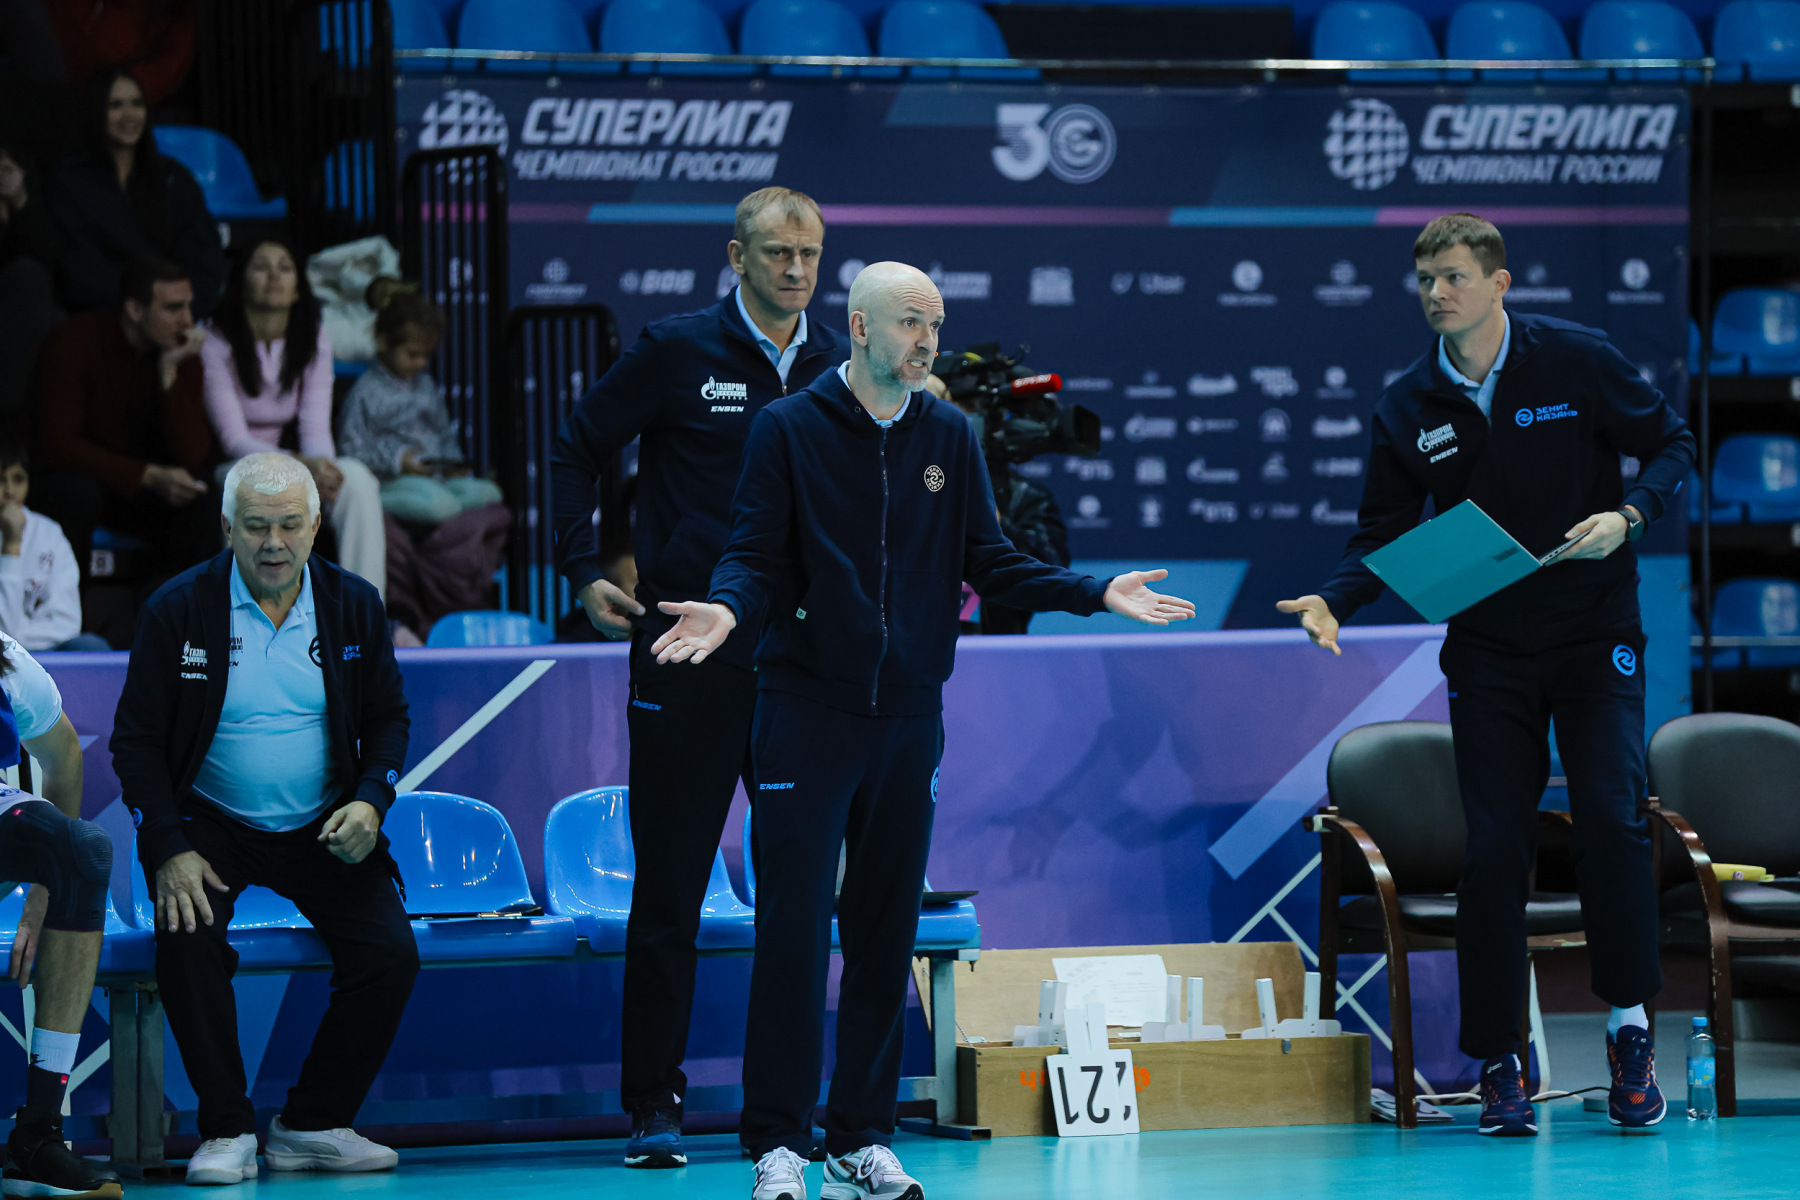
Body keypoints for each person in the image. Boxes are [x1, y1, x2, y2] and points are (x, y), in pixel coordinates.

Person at [654, 262, 1195, 1200]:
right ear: (861, 328)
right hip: (805, 713)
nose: (927, 341)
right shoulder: (787, 427)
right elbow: (752, 554)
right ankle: (778, 1144)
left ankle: (860, 1138)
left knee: (884, 934)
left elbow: (992, 559)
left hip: (909, 718)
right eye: (911, 322)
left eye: (935, 325)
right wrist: (730, 611)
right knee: (793, 937)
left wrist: (1093, 591)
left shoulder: (950, 433)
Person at [1277, 213, 1695, 1137]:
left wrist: (1630, 515)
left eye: (1455, 277)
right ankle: (1500, 1061)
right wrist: (1336, 601)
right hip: (1490, 648)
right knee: (1494, 847)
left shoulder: (1576, 358)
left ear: (1500, 283)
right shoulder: (1408, 404)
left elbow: (1673, 442)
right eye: (1426, 279)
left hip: (1595, 633)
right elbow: (1382, 531)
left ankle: (1630, 1029)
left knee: (1612, 817)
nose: (1437, 294)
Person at [548, 186, 847, 1170]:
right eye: (777, 252)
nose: (795, 269)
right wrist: (582, 566)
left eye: (809, 253)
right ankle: (653, 1105)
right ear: (736, 255)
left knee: (800, 898)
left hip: (801, 663)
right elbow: (576, 446)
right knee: (671, 890)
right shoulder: (675, 350)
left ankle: (788, 1115)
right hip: (684, 652)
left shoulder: (842, 362)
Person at [110, 452, 414, 1186]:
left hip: (324, 822)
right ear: (226, 529)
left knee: (390, 956)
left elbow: (389, 719)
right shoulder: (176, 609)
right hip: (209, 823)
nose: (272, 543)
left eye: (288, 525)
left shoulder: (354, 604)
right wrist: (167, 845)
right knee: (187, 939)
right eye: (254, 526)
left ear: (316, 526)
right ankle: (226, 1130)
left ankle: (313, 1122)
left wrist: (371, 799)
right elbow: (136, 743)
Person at [0, 631, 123, 1200]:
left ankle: (38, 1136)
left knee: (80, 850)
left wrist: (40, 895)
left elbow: (64, 753)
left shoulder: (4, 659)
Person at [203, 240, 386, 597]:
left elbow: (315, 427)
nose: (274, 276)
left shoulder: (313, 336)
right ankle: (246, 618)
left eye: (285, 268)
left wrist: (321, 468)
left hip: (298, 464)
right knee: (243, 486)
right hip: (236, 464)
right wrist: (300, 467)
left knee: (357, 481)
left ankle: (365, 612)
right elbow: (233, 439)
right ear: (242, 282)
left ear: (298, 288)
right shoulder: (214, 337)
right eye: (262, 267)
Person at [32, 255, 217, 588]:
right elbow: (59, 445)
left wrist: (170, 373)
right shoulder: (75, 340)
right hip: (85, 477)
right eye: (174, 308)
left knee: (202, 496)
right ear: (134, 309)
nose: (188, 320)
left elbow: (193, 454)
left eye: (190, 306)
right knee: (75, 494)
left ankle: (172, 612)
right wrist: (146, 475)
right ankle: (64, 613)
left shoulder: (181, 352)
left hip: (142, 491)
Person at [336, 282, 507, 638]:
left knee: (488, 494)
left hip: (435, 479)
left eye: (425, 356)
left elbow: (443, 433)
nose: (420, 363)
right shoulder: (365, 391)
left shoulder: (426, 386)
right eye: (412, 354)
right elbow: (351, 448)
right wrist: (400, 461)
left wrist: (453, 465)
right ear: (384, 343)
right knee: (440, 505)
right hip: (393, 483)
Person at [48, 67, 223, 318]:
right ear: (95, 111)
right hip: (106, 318)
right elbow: (80, 269)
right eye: (115, 105)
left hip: (179, 316)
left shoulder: (173, 176)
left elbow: (203, 255)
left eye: (137, 104)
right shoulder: (69, 180)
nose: (129, 115)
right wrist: (146, 309)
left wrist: (180, 309)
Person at [0, 440, 109, 650]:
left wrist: (18, 638)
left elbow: (67, 623)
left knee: (91, 646)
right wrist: (11, 545)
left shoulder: (49, 532)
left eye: (18, 479)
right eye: (1, 480)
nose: (10, 491)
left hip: (43, 649)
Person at [0, 140, 61, 417]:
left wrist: (19, 200)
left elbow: (44, 259)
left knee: (30, 281)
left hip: (16, 297)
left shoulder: (15, 165)